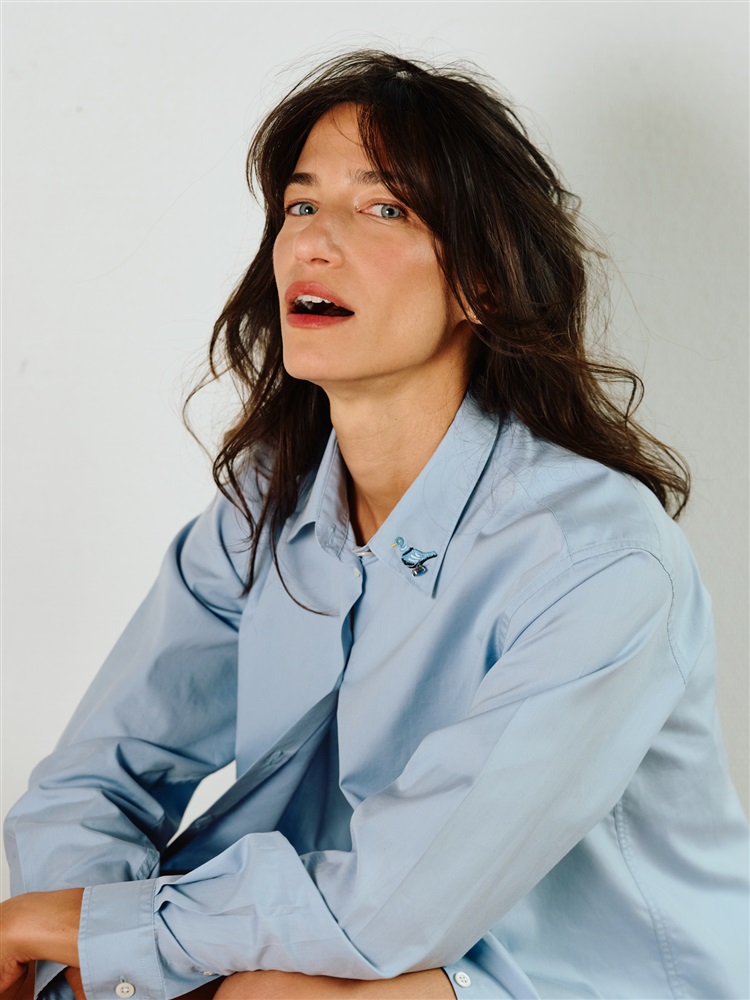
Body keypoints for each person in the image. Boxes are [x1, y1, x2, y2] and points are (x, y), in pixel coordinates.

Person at [2, 50, 748, 1000]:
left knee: (262, 994)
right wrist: (78, 946)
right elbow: (96, 779)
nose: (314, 242)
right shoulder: (264, 504)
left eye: (384, 207)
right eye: (301, 203)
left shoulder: (597, 560)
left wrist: (106, 933)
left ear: (482, 280)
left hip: (586, 976)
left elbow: (397, 904)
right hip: (340, 946)